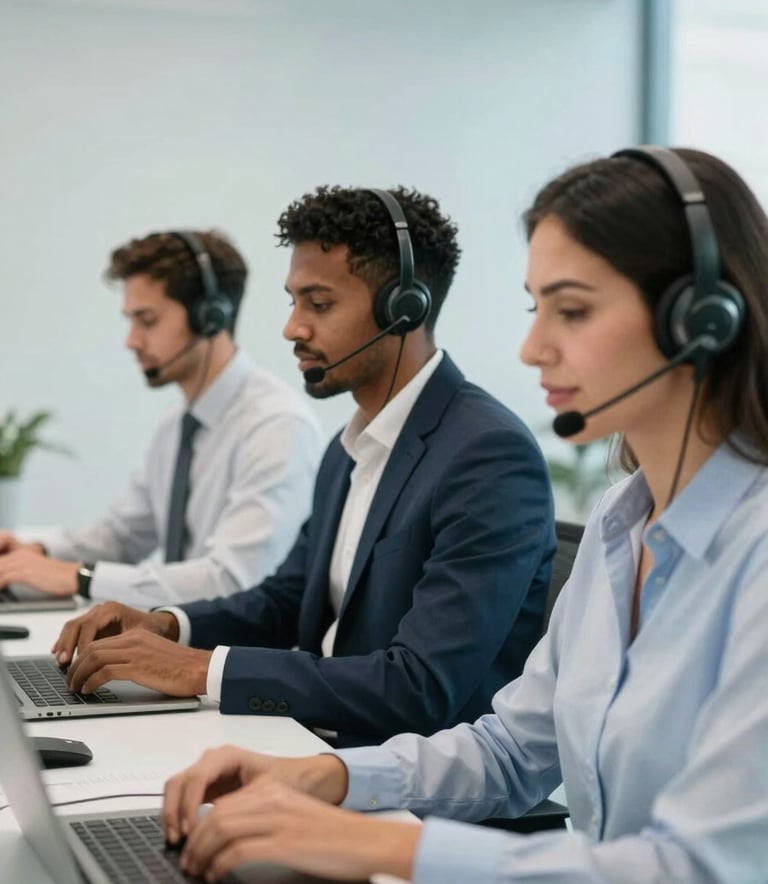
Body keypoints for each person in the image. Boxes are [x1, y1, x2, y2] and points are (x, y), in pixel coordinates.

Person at [158, 148, 768, 884]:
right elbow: (512, 749)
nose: (532, 347)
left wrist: (377, 847)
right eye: (534, 307)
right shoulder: (619, 522)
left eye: (571, 310)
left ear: (700, 319)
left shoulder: (753, 556)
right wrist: (329, 778)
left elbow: (697, 866)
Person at [51, 186, 555, 748]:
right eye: (293, 302)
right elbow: (286, 600)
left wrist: (199, 670)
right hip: (317, 745)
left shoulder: (486, 455)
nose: (292, 328)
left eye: (318, 304)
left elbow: (420, 686)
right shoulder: (350, 448)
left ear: (403, 308)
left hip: (414, 793)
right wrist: (166, 625)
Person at [0, 230, 323, 608]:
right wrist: (36, 551)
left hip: (236, 659)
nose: (131, 341)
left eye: (147, 320)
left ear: (210, 316)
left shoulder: (277, 426)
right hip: (176, 646)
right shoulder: (176, 426)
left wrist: (78, 577)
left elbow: (235, 580)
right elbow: (125, 536)